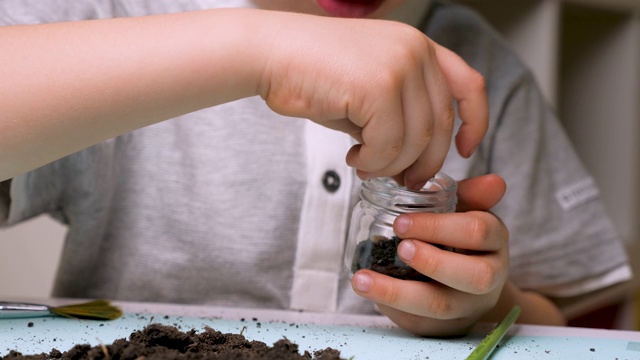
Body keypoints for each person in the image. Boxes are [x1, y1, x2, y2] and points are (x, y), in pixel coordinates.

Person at [0, 0, 631, 337]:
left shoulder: (482, 68)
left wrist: (488, 306)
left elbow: (587, 320)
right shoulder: (113, 16)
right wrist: (256, 49)